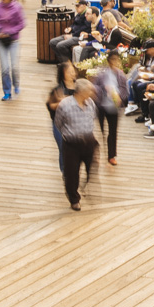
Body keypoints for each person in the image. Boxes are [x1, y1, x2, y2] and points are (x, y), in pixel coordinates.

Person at [54, 78, 99, 211]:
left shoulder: (90, 103)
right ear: (80, 92)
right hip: (72, 143)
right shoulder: (65, 105)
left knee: (92, 168)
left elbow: (93, 117)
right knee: (71, 173)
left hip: (89, 141)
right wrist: (69, 134)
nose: (92, 92)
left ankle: (87, 187)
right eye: (89, 90)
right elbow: (58, 123)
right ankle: (74, 199)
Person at [0, 0, 24, 101]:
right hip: (1, 40)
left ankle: (16, 84)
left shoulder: (17, 7)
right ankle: (7, 91)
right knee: (5, 68)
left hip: (13, 40)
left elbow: (21, 23)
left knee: (14, 67)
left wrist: (10, 31)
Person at [95, 50, 128, 166]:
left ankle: (111, 155)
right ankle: (97, 152)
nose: (115, 62)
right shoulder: (102, 74)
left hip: (114, 106)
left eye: (117, 60)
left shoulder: (121, 76)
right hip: (102, 105)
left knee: (113, 132)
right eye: (113, 60)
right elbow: (96, 88)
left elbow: (124, 91)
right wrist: (105, 89)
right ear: (109, 61)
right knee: (100, 131)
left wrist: (120, 98)